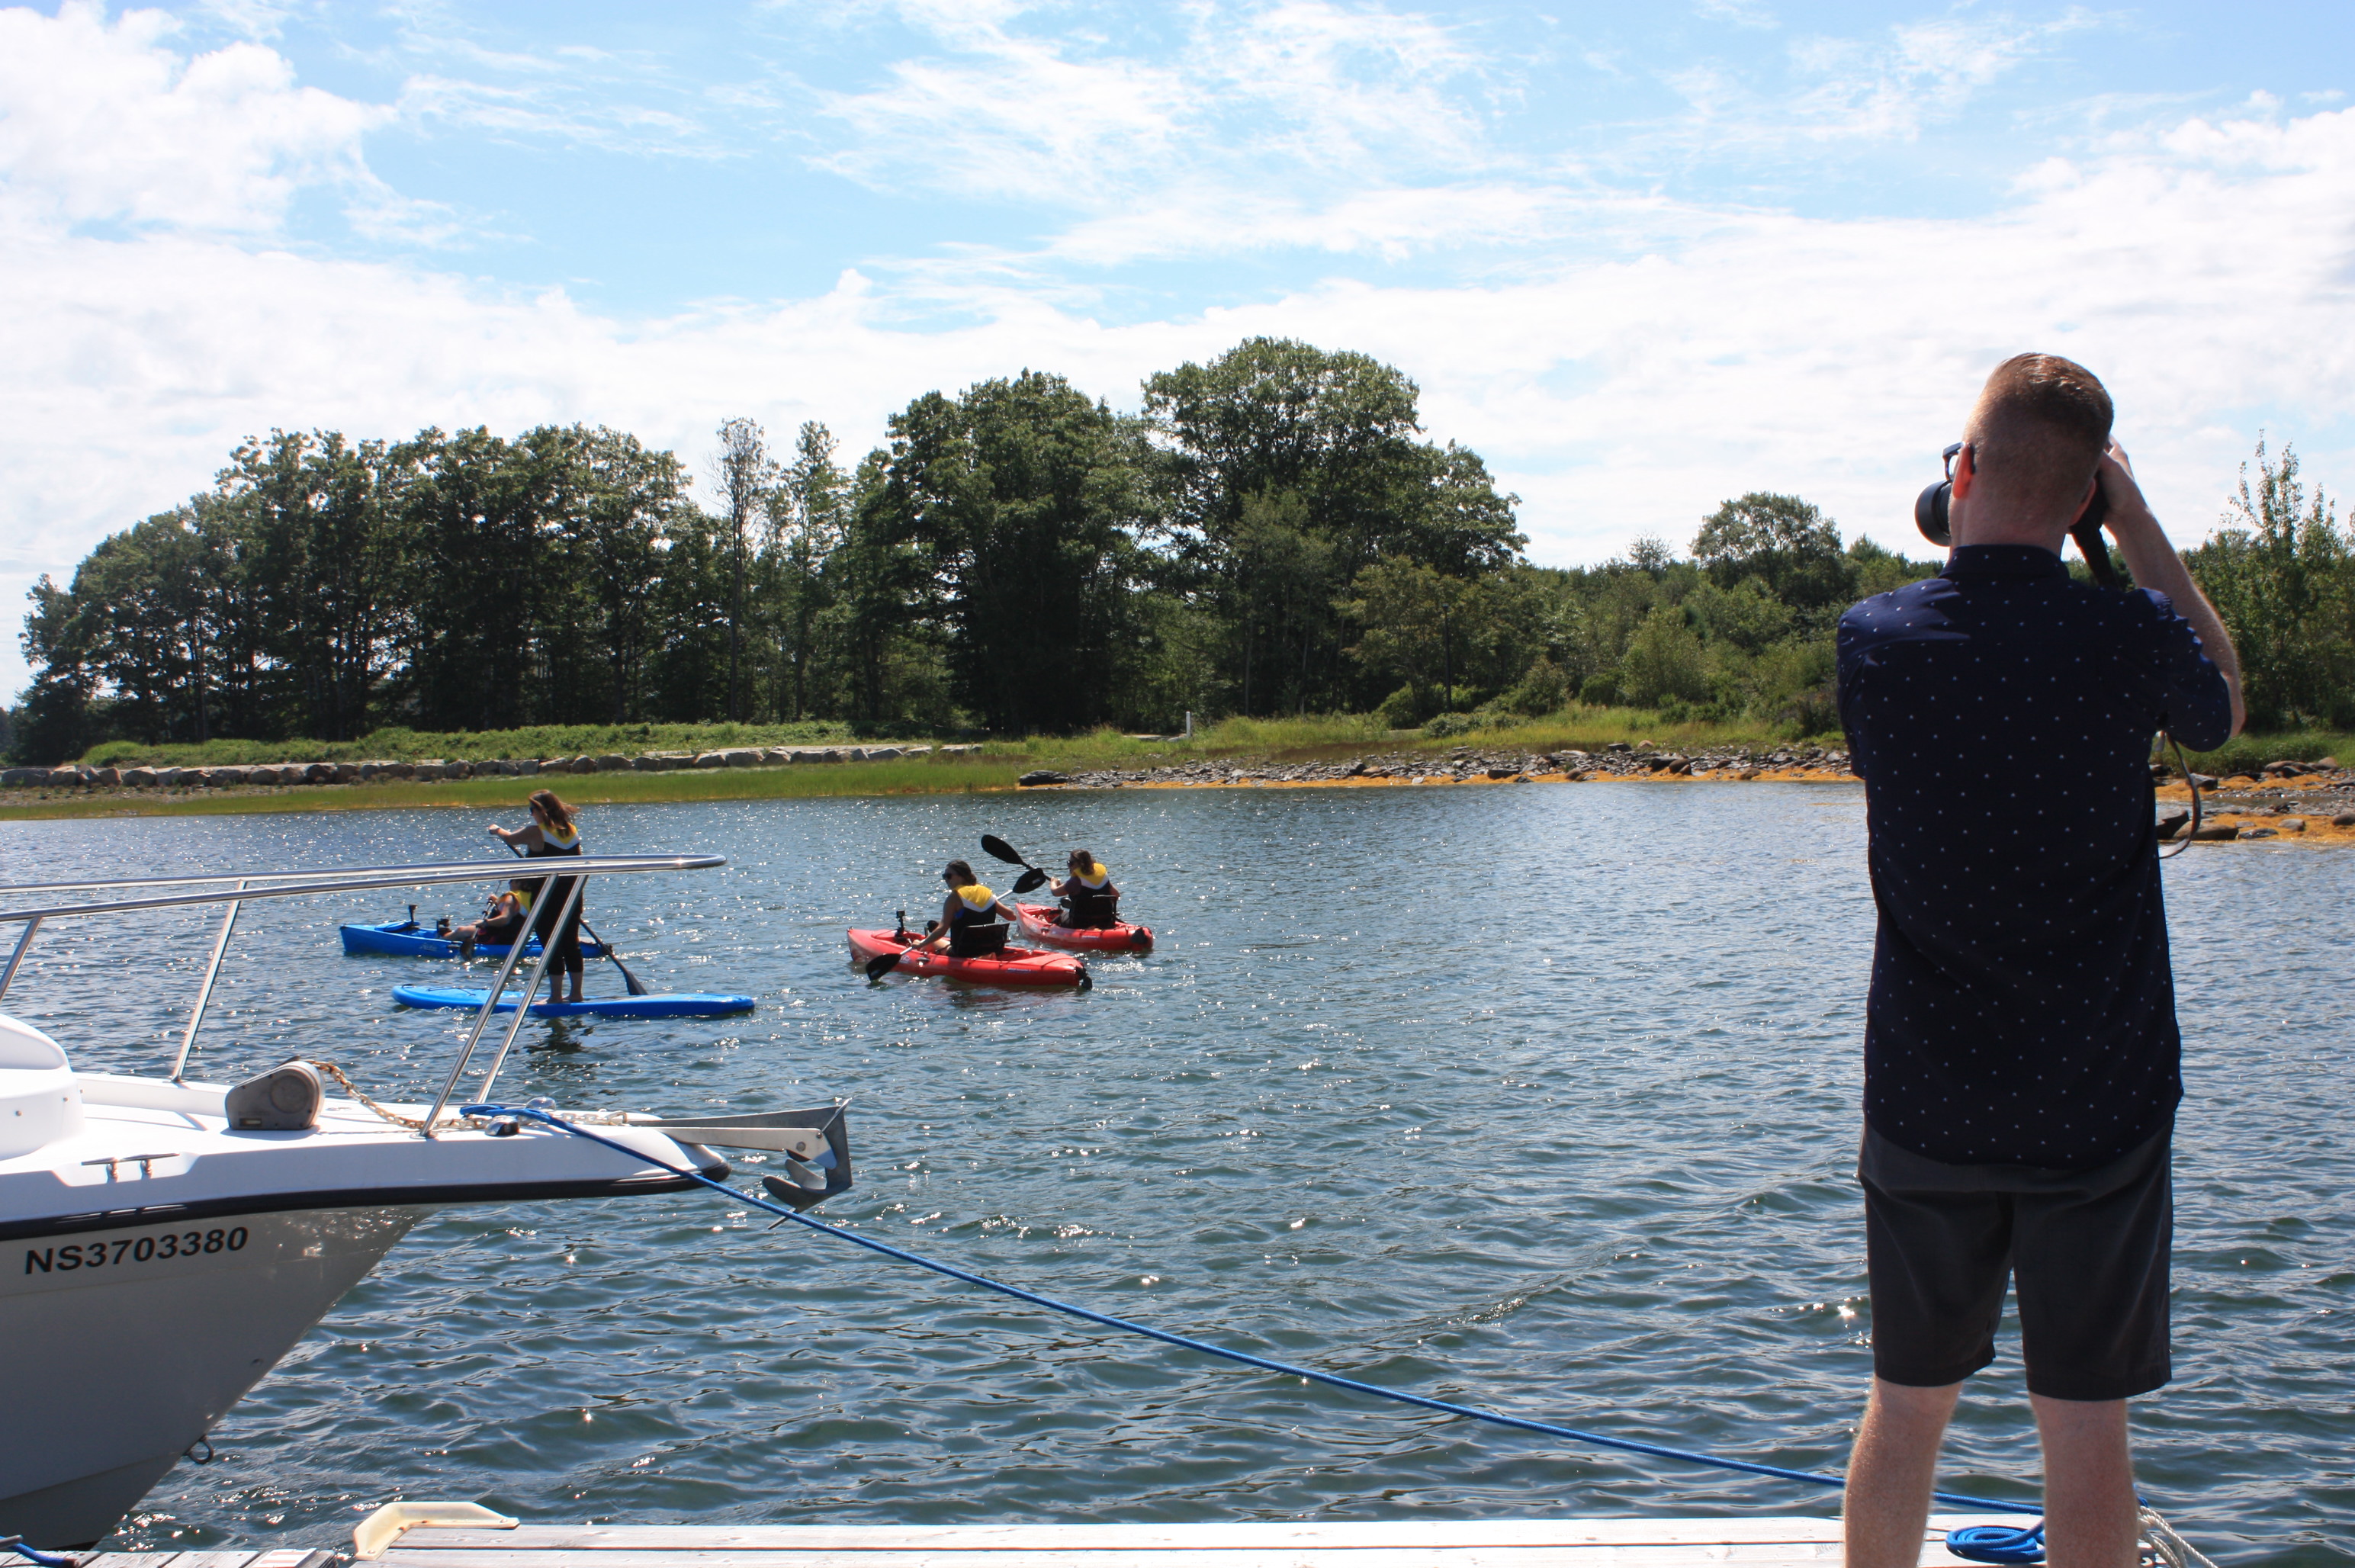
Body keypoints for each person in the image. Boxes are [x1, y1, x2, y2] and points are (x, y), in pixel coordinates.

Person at [1835, 354, 2241, 1568]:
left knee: (1906, 1406)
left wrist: (2029, 529)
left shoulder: (1876, 641)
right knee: (2087, 1431)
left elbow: (1969, 606)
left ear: (1961, 471)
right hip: (2097, 1107)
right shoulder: (2125, 633)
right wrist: (2135, 528)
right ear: (2085, 506)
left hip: (1926, 1102)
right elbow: (2220, 700)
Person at [490, 789, 586, 1004]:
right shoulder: (570, 831)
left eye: (532, 809)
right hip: (571, 897)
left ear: (541, 811)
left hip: (546, 898)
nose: (531, 814)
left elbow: (510, 838)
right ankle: (576, 994)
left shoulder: (536, 832)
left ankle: (555, 997)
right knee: (571, 943)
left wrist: (496, 830)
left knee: (550, 944)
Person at [913, 860, 1019, 959]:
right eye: (944, 876)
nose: (945, 879)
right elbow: (1011, 916)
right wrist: (990, 902)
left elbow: (941, 930)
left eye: (948, 876)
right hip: (989, 949)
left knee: (931, 941)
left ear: (962, 876)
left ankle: (921, 953)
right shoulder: (986, 893)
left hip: (962, 953)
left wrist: (921, 943)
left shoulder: (954, 898)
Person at [1048, 850, 1120, 929]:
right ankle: (1096, 926)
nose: (1069, 866)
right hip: (1105, 921)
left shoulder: (1075, 881)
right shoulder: (1103, 878)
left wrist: (1053, 882)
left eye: (1070, 863)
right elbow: (1116, 895)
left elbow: (1055, 892)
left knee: (1062, 915)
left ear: (1080, 864)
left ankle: (1046, 924)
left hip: (1080, 923)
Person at [448, 881, 532, 949]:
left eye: (511, 881)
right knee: (469, 931)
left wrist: (485, 922)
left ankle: (440, 941)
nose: (509, 883)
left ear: (519, 883)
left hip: (497, 937)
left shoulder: (511, 898)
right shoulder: (527, 896)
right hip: (516, 937)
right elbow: (515, 911)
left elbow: (505, 919)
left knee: (461, 930)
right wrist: (497, 901)